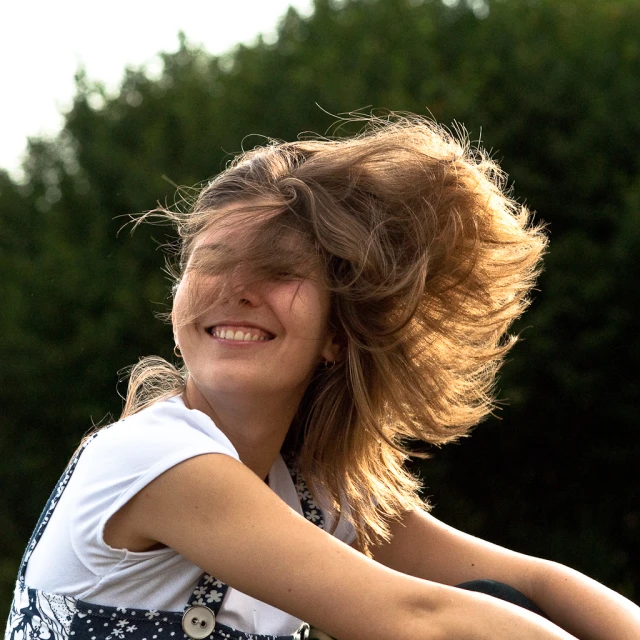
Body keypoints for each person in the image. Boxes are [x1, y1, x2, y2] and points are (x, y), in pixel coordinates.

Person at [5, 115, 640, 640]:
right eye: (213, 263)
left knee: (494, 594)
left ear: (338, 333)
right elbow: (419, 620)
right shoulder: (154, 457)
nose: (237, 291)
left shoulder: (307, 486)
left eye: (277, 270)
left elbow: (534, 584)